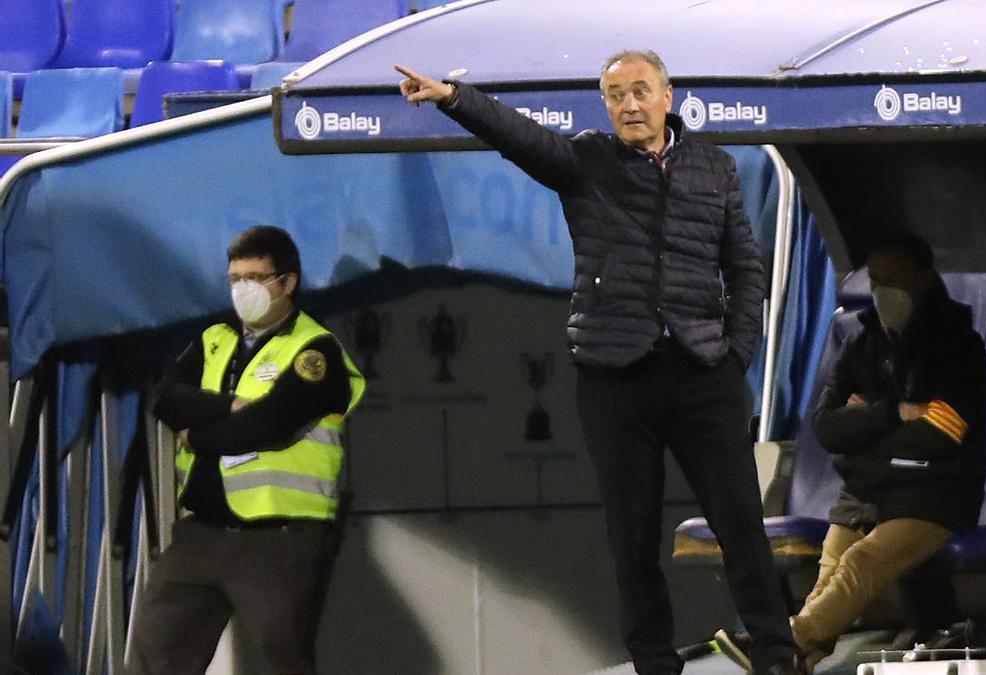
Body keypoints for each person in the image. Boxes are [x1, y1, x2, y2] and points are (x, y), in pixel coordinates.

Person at [395, 50, 798, 675]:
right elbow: (519, 136)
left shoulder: (715, 166)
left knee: (741, 523)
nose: (629, 105)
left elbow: (744, 268)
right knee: (631, 538)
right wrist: (454, 97)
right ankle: (654, 663)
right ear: (604, 105)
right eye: (615, 95)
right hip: (615, 376)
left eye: (640, 91)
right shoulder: (586, 161)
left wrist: (735, 353)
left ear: (669, 95)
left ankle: (776, 656)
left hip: (702, 373)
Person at [132, 226, 365, 675]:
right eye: (235, 278)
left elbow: (266, 426)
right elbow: (164, 399)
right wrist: (228, 406)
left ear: (287, 283)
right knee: (155, 649)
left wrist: (197, 435)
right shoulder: (214, 340)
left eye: (255, 278)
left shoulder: (314, 352)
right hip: (201, 532)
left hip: (279, 540)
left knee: (283, 658)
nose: (243, 290)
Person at [790, 233, 986, 672]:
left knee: (859, 562)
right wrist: (896, 413)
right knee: (829, 576)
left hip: (934, 498)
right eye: (876, 280)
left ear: (924, 278)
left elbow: (945, 431)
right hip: (866, 495)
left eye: (894, 279)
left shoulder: (958, 346)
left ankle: (787, 642)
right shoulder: (861, 342)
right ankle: (797, 657)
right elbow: (826, 428)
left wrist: (862, 433)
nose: (883, 292)